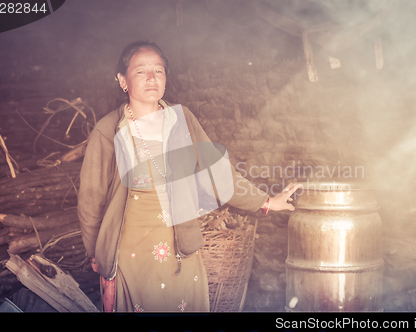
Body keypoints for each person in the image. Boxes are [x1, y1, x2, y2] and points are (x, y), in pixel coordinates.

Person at [77, 41, 301, 312]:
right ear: (122, 80)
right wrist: (96, 251)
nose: (151, 78)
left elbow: (216, 173)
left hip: (178, 250)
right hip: (130, 253)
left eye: (158, 71)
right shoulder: (108, 130)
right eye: (140, 71)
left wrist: (266, 202)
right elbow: (91, 199)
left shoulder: (181, 120)